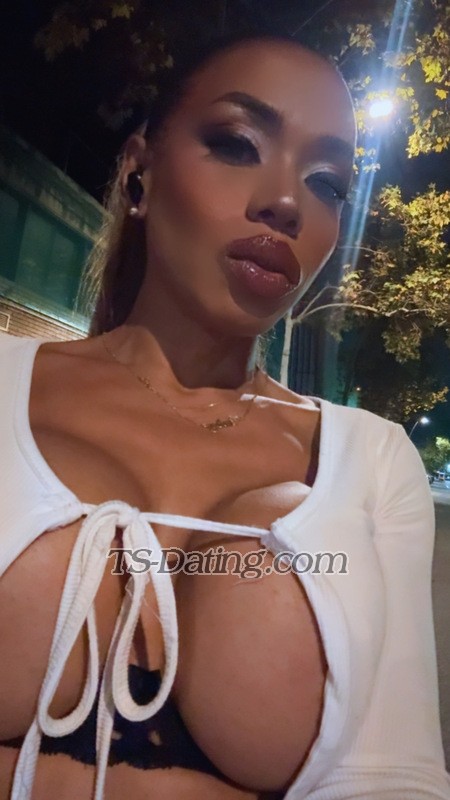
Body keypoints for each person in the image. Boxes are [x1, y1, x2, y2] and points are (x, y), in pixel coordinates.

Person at [0, 27, 449, 800]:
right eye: (238, 143)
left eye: (328, 184)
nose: (286, 202)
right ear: (139, 171)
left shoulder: (371, 462)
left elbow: (396, 777)